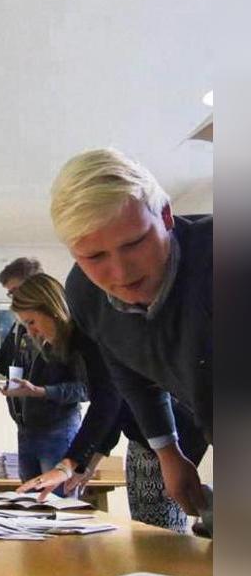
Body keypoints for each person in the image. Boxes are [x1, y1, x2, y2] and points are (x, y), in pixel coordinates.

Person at [49, 148, 212, 521]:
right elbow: (127, 365)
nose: (120, 274)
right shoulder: (84, 293)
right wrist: (168, 452)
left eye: (134, 243)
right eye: (94, 257)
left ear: (166, 215)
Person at [10, 274, 207, 532]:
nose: (31, 331)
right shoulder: (78, 341)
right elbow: (116, 404)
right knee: (147, 529)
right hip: (141, 437)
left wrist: (68, 464)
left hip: (171, 435)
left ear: (52, 307)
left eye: (32, 321)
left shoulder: (89, 333)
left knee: (161, 533)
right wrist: (88, 464)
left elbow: (108, 400)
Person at [0, 258, 86, 488]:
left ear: (37, 286)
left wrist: (42, 392)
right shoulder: (18, 329)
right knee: (30, 504)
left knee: (58, 506)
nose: (14, 300)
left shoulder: (71, 328)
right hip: (25, 431)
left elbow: (86, 389)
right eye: (10, 294)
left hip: (58, 430)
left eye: (16, 291)